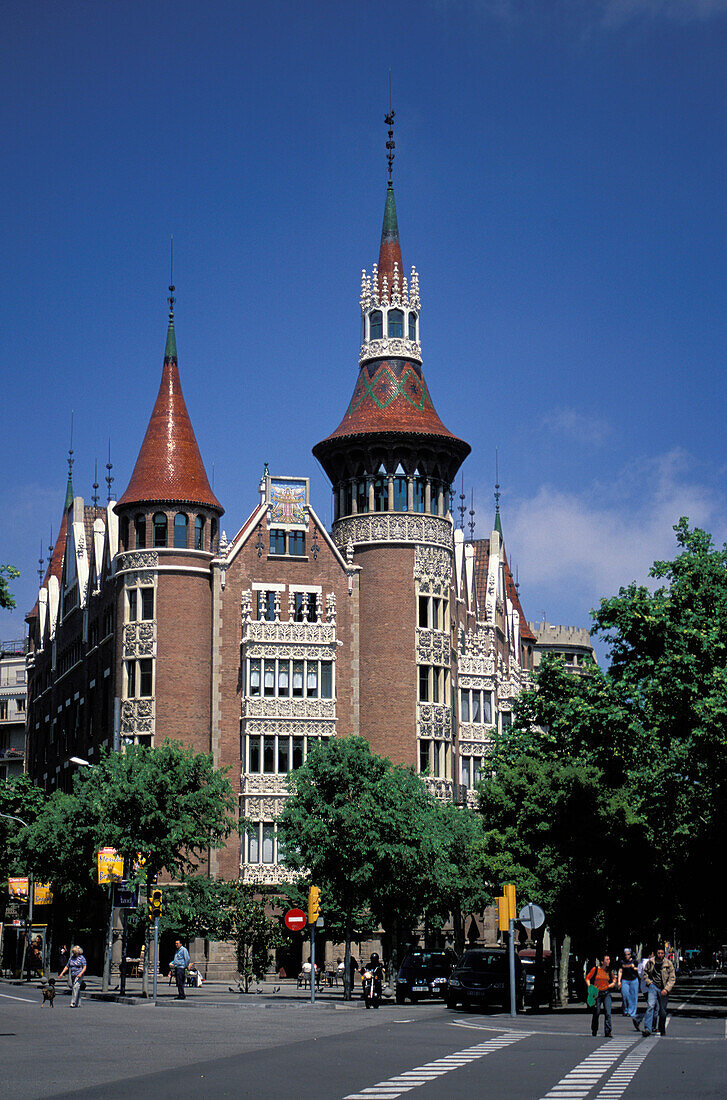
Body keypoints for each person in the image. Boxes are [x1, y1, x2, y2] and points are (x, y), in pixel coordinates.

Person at [637, 945, 676, 1036]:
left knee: (662, 1010)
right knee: (650, 1006)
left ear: (664, 954)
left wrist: (667, 989)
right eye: (658, 953)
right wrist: (649, 983)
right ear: (656, 953)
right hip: (653, 986)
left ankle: (662, 1028)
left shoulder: (668, 964)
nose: (660, 955)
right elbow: (645, 973)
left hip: (664, 988)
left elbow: (672, 978)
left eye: (662, 953)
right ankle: (648, 1029)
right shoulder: (651, 962)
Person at [586, 954, 617, 1037]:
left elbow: (614, 979)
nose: (609, 961)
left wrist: (612, 984)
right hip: (597, 993)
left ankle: (608, 1031)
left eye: (609, 959)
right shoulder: (595, 969)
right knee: (597, 1012)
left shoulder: (609, 971)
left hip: (606, 993)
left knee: (608, 1012)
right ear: (602, 962)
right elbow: (588, 978)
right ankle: (594, 1030)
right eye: (607, 960)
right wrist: (590, 987)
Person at [618, 948, 639, 1021]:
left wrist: (634, 968)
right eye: (625, 954)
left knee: (633, 996)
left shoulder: (634, 961)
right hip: (625, 980)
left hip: (633, 980)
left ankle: (632, 1012)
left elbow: (639, 969)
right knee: (625, 995)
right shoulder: (622, 962)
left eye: (628, 954)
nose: (627, 956)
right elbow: (620, 971)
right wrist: (619, 981)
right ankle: (626, 1009)